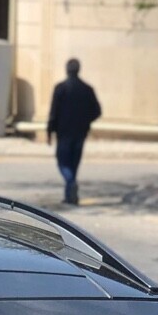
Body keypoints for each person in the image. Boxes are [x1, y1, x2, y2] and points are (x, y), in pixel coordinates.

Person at [46, 57, 101, 206]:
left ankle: (71, 184)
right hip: (80, 132)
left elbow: (53, 112)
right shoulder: (87, 89)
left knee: (62, 162)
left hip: (63, 132)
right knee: (73, 163)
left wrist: (49, 131)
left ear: (67, 70)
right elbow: (97, 111)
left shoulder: (60, 88)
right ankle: (71, 195)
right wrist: (86, 121)